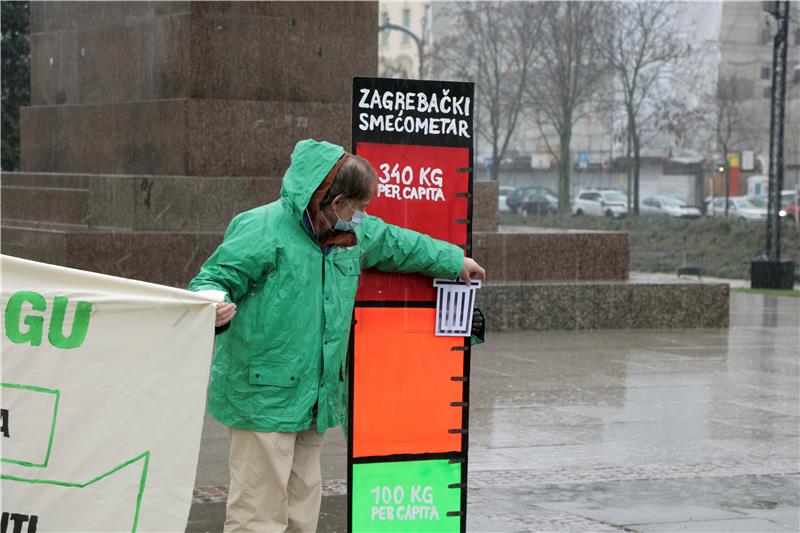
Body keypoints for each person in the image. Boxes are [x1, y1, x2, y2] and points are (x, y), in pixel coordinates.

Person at [188, 139, 486, 532]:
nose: (361, 216)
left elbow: (399, 244)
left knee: (301, 509)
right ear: (333, 199)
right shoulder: (261, 227)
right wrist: (215, 305)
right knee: (257, 513)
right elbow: (211, 280)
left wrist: (454, 261)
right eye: (356, 207)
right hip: (261, 396)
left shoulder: (350, 233)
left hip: (314, 397)